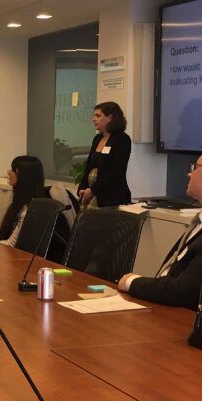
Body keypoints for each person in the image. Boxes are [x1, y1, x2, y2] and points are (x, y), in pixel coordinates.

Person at [118, 155, 202, 310]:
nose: (189, 173)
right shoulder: (198, 222)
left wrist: (132, 282)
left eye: (195, 168)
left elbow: (185, 291)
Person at [78, 101, 131, 208]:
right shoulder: (97, 138)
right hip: (92, 195)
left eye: (98, 116)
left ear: (110, 118)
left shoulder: (122, 139)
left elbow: (116, 172)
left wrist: (93, 190)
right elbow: (89, 165)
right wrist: (82, 188)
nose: (94, 119)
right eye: (94, 116)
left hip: (111, 198)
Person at [0, 156, 45, 247]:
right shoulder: (23, 202)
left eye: (12, 169)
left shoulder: (28, 209)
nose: (8, 172)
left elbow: (11, 245)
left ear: (20, 174)